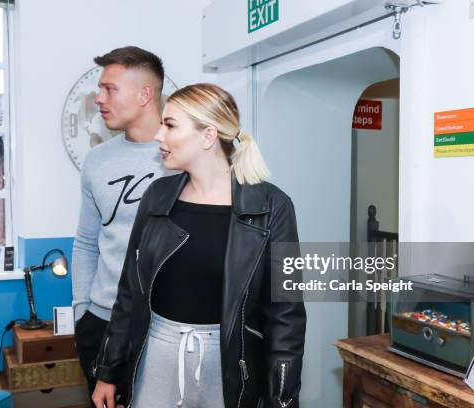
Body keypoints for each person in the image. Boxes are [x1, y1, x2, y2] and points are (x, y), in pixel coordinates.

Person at [91, 83, 307, 408]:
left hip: (233, 364)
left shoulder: (272, 206)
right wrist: (107, 370)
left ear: (207, 136)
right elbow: (130, 292)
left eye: (170, 125)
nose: (159, 135)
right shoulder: (157, 196)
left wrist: (282, 399)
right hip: (156, 354)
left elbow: (286, 314)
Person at [72, 46, 173, 405]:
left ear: (145, 94)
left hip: (166, 325)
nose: (99, 98)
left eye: (109, 89)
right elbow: (86, 242)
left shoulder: (183, 155)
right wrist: (82, 311)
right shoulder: (97, 161)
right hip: (100, 323)